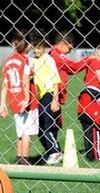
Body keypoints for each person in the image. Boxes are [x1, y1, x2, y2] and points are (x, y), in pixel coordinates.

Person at [0, 31, 38, 166]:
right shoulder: (26, 60)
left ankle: (19, 156)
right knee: (28, 132)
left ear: (12, 44)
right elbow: (25, 78)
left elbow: (4, 83)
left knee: (20, 131)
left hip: (13, 99)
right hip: (27, 101)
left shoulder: (8, 61)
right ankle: (25, 159)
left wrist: (2, 104)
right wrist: (27, 98)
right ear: (29, 45)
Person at [49, 32, 88, 156]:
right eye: (70, 47)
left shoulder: (53, 54)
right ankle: (54, 151)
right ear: (63, 43)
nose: (70, 51)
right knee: (51, 124)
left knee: (56, 123)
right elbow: (74, 67)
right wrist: (90, 59)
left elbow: (68, 69)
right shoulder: (56, 55)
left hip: (56, 94)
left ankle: (55, 149)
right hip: (52, 94)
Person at [30, 33, 62, 165]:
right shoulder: (32, 60)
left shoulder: (48, 59)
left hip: (48, 95)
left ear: (44, 47)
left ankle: (55, 151)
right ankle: (51, 151)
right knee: (39, 128)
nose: (36, 50)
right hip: (38, 96)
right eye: (34, 47)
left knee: (46, 125)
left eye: (39, 48)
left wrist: (55, 99)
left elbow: (56, 80)